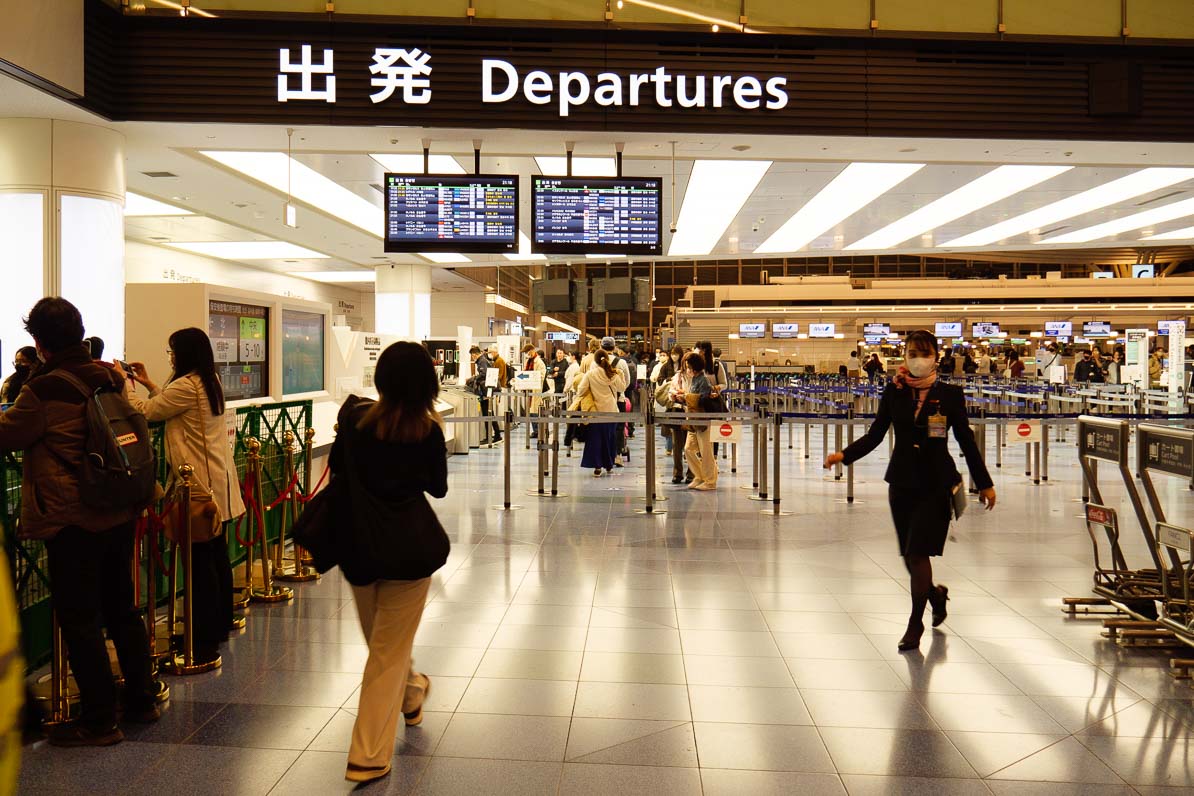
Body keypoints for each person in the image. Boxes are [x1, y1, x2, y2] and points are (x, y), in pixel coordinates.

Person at [0, 297, 157, 746]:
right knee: (121, 608)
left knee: (80, 617)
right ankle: (142, 699)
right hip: (118, 504)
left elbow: (9, 434)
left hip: (72, 518)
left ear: (38, 341)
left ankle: (99, 718)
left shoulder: (44, 389)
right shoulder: (106, 375)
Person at [824, 329, 995, 652]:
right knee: (908, 554)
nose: (918, 359)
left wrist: (984, 482)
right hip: (901, 483)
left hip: (935, 483)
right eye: (913, 353)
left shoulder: (950, 395)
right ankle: (935, 595)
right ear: (904, 357)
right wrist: (844, 455)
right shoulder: (895, 392)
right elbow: (876, 433)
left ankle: (915, 622)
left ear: (935, 356)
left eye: (924, 352)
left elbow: (965, 440)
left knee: (918, 553)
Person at [329, 342, 447, 783]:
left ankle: (380, 736)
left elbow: (339, 470)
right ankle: (371, 751)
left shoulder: (357, 425)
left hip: (358, 546)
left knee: (382, 646)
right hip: (410, 550)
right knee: (387, 650)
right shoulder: (427, 431)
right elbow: (438, 488)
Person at [121, 327, 246, 665]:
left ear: (185, 353)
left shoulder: (186, 386)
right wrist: (148, 384)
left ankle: (201, 637)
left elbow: (146, 413)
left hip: (198, 488)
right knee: (217, 557)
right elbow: (170, 403)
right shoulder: (209, 381)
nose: (171, 356)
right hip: (216, 482)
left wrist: (123, 384)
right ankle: (218, 624)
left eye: (172, 351)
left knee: (200, 564)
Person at [576, 349, 628, 477]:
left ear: (595, 360)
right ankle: (609, 464)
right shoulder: (613, 374)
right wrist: (620, 375)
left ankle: (597, 466)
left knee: (596, 440)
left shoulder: (590, 374)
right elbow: (622, 388)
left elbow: (580, 391)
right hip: (611, 411)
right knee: (609, 438)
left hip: (596, 412)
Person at [682, 352, 718, 490]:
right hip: (694, 420)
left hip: (703, 421)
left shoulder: (703, 380)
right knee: (688, 449)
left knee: (706, 451)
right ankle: (700, 475)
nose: (687, 369)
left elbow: (703, 399)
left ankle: (710, 481)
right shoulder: (695, 379)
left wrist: (687, 397)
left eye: (689, 366)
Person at [668, 347, 694, 484]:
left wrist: (686, 395)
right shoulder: (677, 376)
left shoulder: (698, 376)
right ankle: (677, 473)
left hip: (693, 413)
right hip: (678, 411)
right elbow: (670, 392)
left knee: (690, 446)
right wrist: (675, 394)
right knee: (677, 445)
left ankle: (691, 473)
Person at [468, 346, 501, 445]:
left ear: (474, 354)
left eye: (472, 356)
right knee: (488, 413)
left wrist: (473, 379)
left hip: (486, 390)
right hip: (487, 389)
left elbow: (484, 374)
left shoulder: (481, 361)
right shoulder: (483, 360)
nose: (472, 358)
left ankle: (494, 435)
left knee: (487, 413)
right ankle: (494, 435)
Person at [522, 344, 547, 438]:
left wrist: (531, 378)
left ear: (532, 350)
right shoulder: (528, 361)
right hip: (529, 389)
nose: (527, 354)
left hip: (536, 390)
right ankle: (536, 430)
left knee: (535, 411)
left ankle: (538, 430)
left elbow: (541, 376)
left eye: (527, 352)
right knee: (531, 410)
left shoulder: (539, 362)